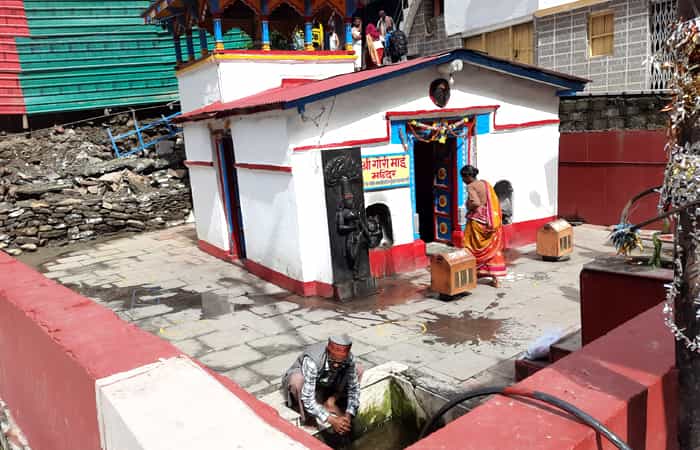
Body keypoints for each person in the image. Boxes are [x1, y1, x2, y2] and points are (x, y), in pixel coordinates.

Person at [283, 335, 363, 435]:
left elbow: (354, 389)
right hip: (307, 382)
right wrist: (331, 420)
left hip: (326, 381)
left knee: (358, 369)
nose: (336, 365)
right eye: (333, 361)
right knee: (297, 380)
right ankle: (308, 417)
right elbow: (307, 398)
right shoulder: (312, 360)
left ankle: (331, 402)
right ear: (328, 351)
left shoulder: (349, 358)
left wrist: (348, 415)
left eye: (340, 362)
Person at [460, 165, 507, 287]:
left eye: (463, 177)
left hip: (477, 222)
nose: (462, 180)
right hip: (489, 221)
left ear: (468, 176)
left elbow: (475, 202)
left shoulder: (471, 187)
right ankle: (496, 278)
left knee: (471, 247)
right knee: (492, 250)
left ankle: (472, 275)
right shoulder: (485, 184)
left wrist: (468, 207)